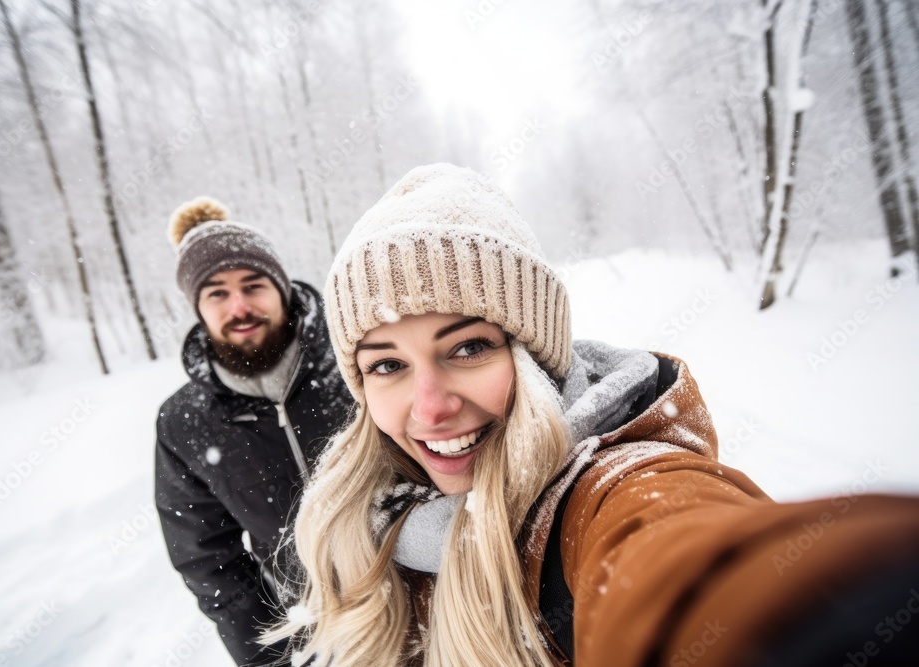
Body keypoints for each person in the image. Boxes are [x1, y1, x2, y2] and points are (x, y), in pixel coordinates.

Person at [263, 164, 919, 666]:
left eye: (468, 347)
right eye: (387, 364)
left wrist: (822, 611)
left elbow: (673, 552)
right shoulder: (367, 521)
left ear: (534, 356)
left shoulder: (604, 489)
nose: (432, 405)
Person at [155, 197, 353, 666]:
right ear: (198, 309)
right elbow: (209, 562)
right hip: (318, 638)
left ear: (282, 288)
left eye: (253, 285)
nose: (239, 306)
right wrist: (271, 658)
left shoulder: (356, 359)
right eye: (217, 293)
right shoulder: (184, 424)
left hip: (431, 601)